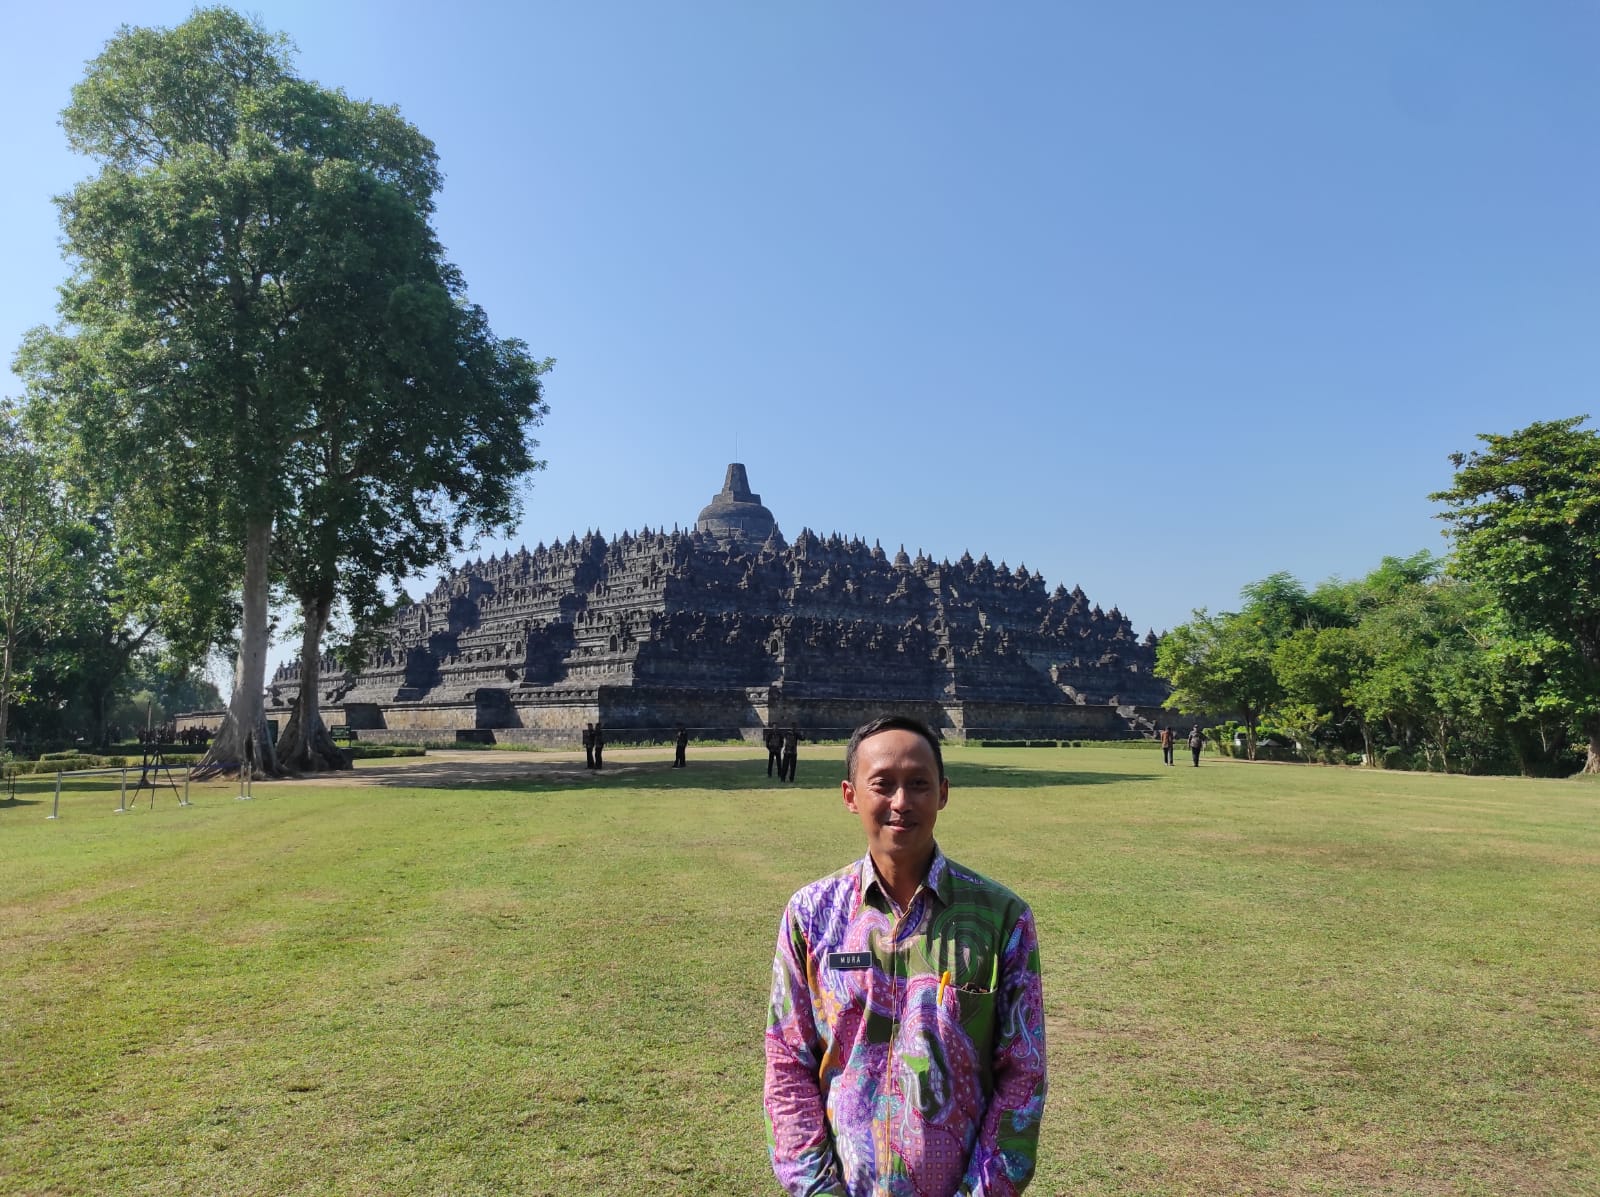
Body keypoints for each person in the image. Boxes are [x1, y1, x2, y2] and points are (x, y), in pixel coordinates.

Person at [763, 715, 1047, 1196]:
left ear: (943, 794)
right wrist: (816, 1189)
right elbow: (787, 1064)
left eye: (918, 784)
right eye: (883, 784)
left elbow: (1023, 1072)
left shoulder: (1001, 918)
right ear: (850, 795)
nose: (901, 802)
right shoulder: (811, 914)